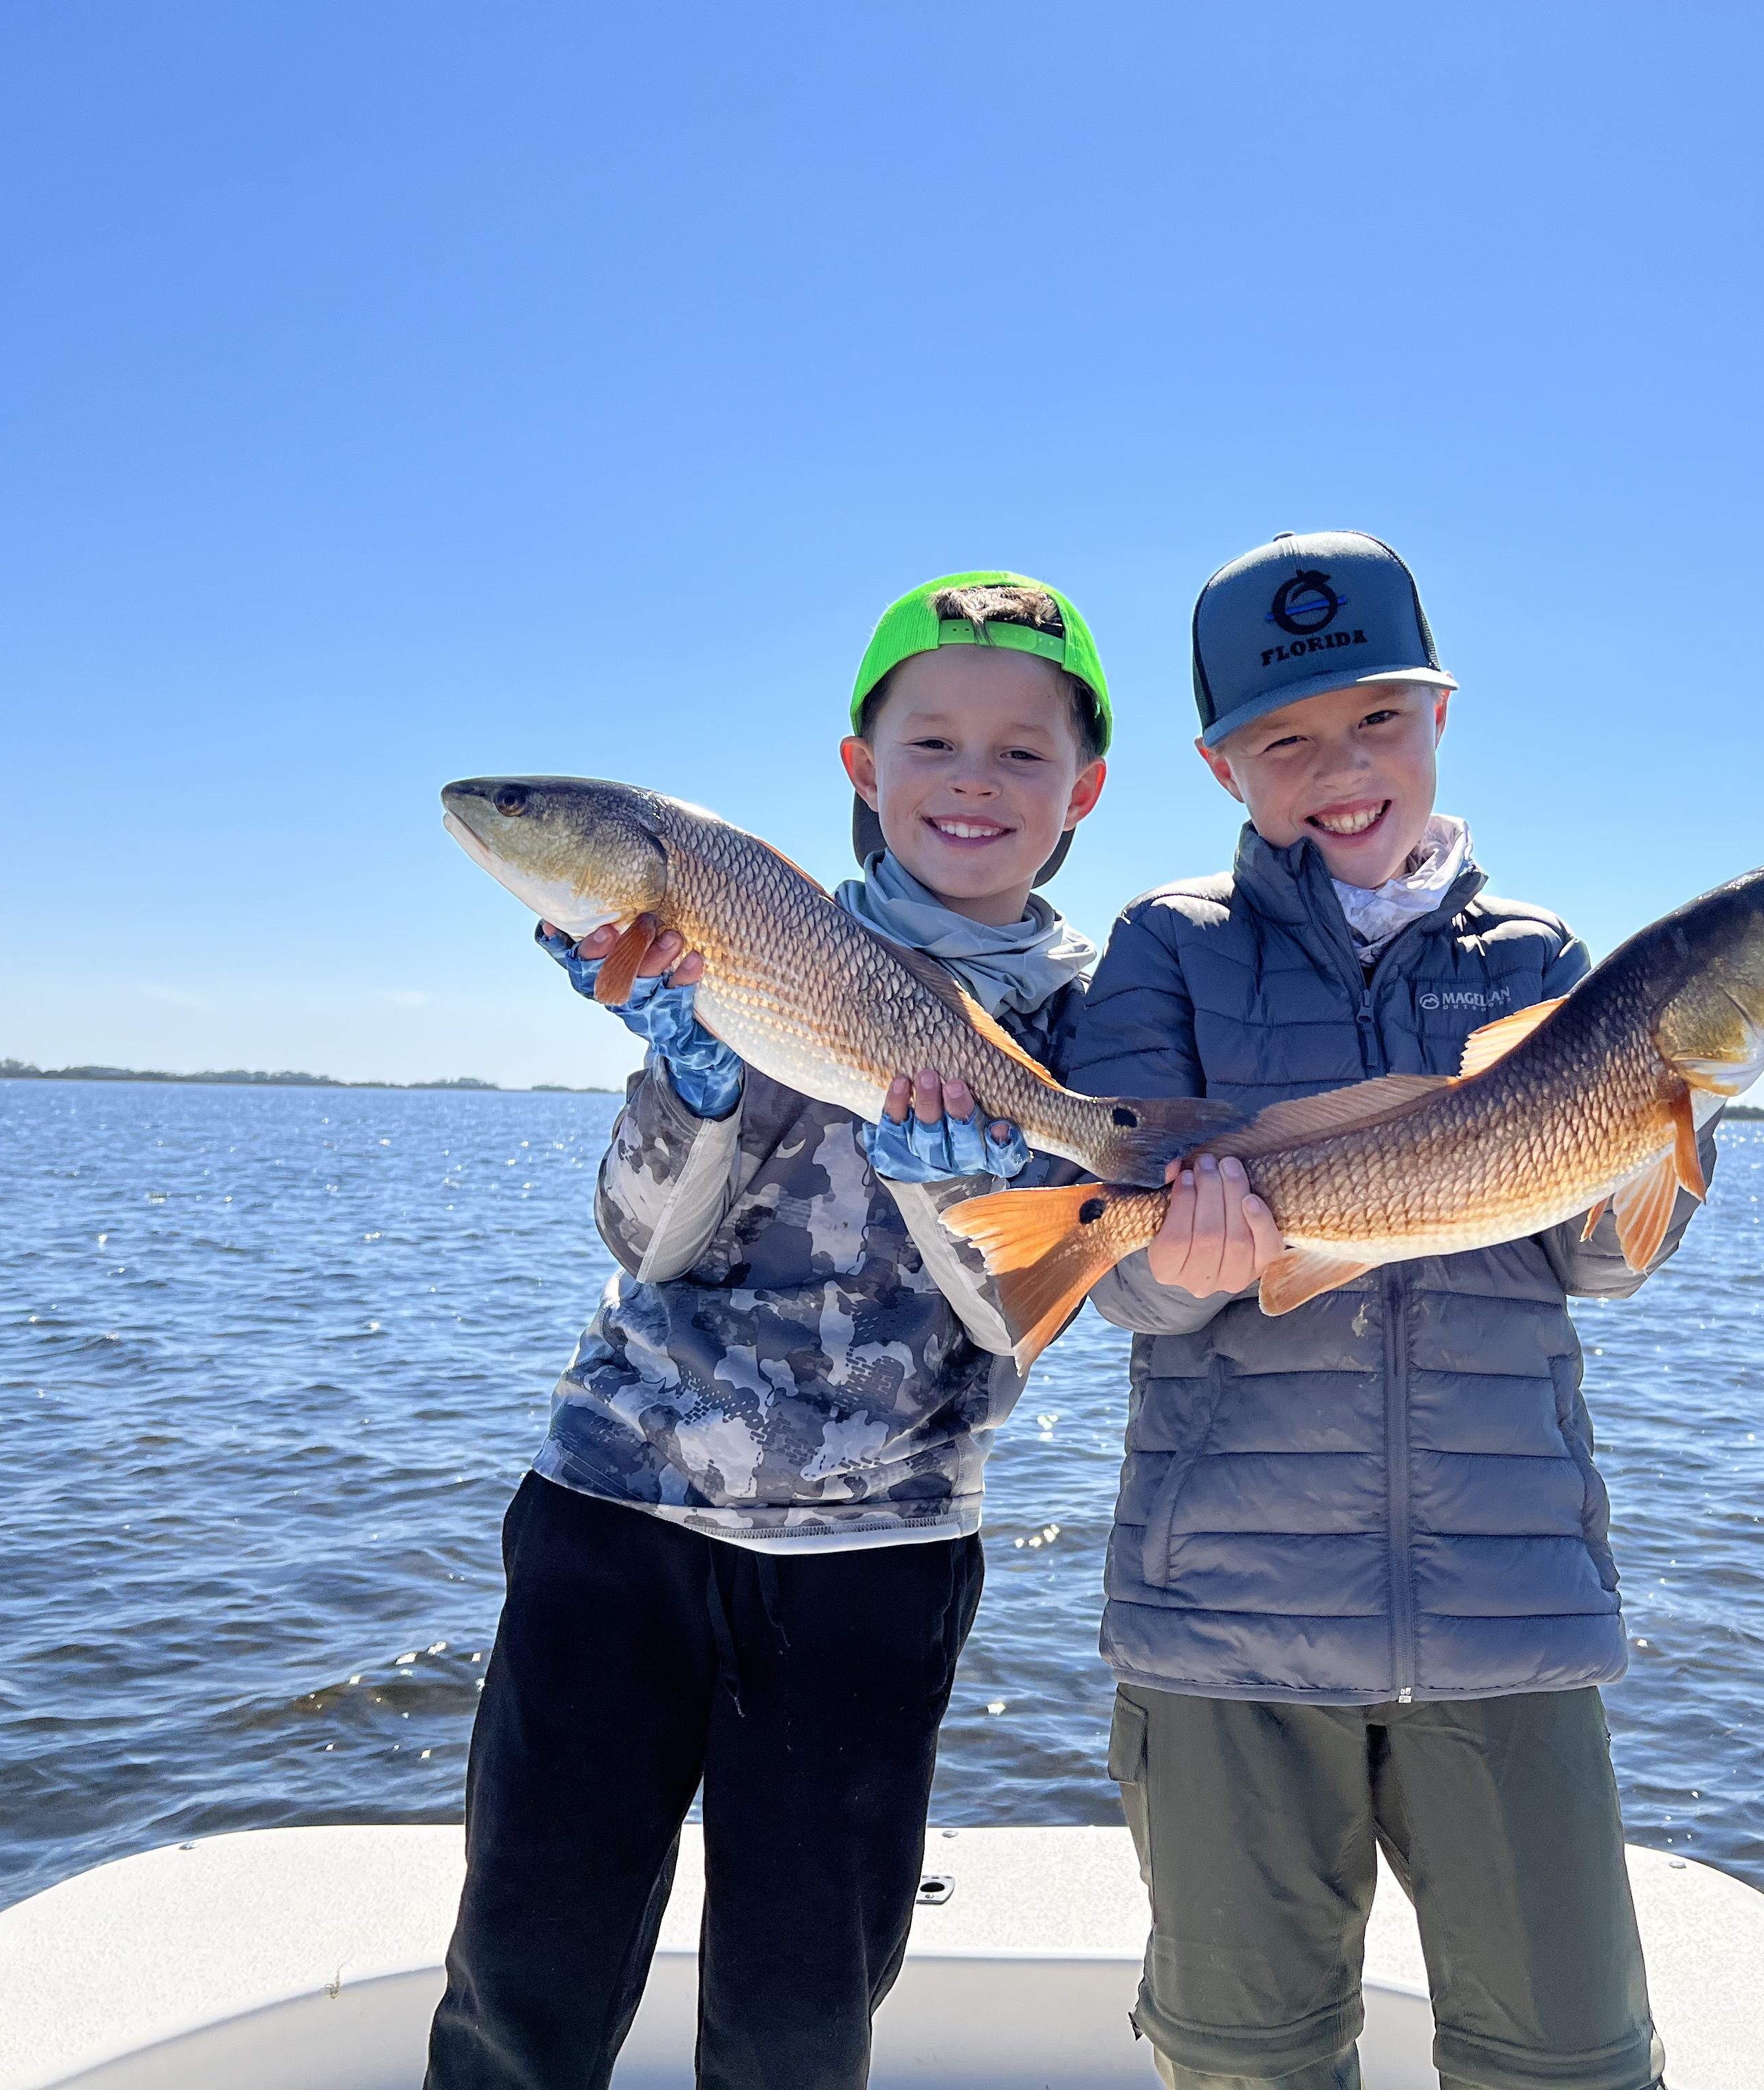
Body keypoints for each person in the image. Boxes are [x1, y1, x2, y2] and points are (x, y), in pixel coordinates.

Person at [426, 573, 1114, 2090]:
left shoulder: (1103, 1023)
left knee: (801, 2022)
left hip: (875, 1563)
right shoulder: (736, 939)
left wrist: (961, 1190)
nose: (973, 781)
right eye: (931, 742)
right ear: (863, 770)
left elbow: (1022, 1315)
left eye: (1021, 750)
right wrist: (694, 1079)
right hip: (614, 1516)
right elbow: (639, 1238)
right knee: (522, 1982)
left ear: (1088, 788)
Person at [1060, 532, 1714, 2090]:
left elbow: (1600, 1266)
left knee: (1571, 2063)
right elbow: (1119, 1269)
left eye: (1377, 720)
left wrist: (1677, 1118)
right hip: (1225, 1619)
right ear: (1224, 769)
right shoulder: (1169, 949)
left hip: (1513, 1615)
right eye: (1285, 738)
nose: (1339, 769)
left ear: (1440, 716)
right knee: (1245, 2062)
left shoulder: (1543, 958)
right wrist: (1186, 1259)